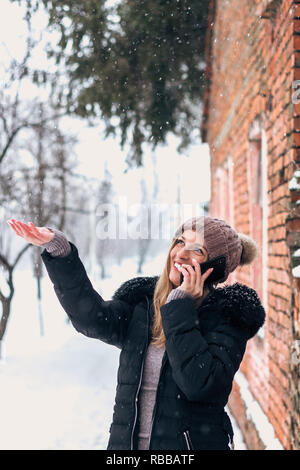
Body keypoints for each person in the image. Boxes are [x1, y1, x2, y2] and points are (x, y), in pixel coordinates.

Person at [7, 215, 266, 450]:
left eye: (197, 249)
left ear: (216, 267)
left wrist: (179, 306)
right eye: (180, 241)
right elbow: (91, 319)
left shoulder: (228, 317)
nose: (181, 254)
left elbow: (199, 385)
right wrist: (60, 251)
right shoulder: (144, 302)